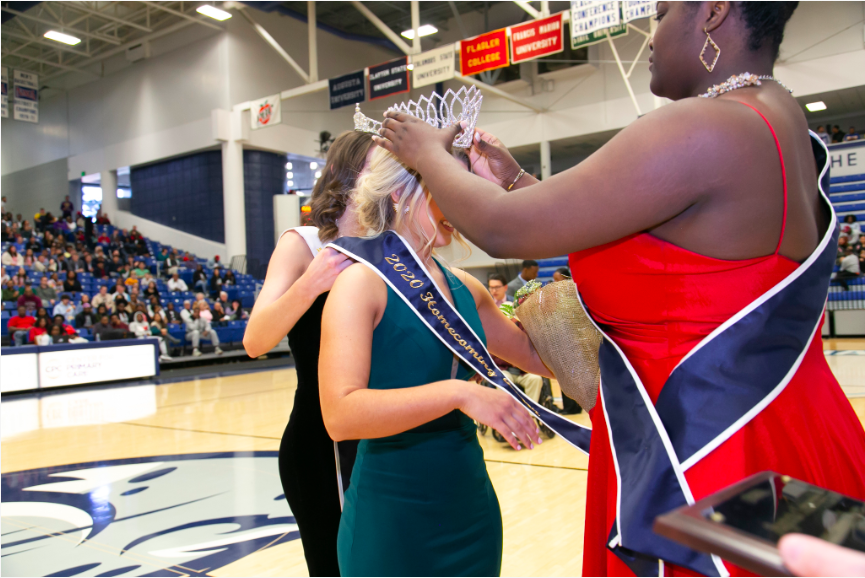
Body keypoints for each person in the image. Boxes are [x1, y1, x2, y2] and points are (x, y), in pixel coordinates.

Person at [373, 3, 865, 575]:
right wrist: (514, 181)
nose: (649, 37)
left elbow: (502, 228)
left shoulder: (704, 124)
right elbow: (666, 247)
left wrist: (430, 156)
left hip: (704, 452)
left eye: (659, 12)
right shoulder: (775, 117)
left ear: (713, 11)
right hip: (788, 426)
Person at [319, 146, 551, 577]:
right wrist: (458, 393)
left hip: (471, 512)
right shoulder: (359, 285)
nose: (458, 204)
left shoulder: (467, 287)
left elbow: (542, 360)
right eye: (443, 188)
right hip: (391, 520)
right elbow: (339, 415)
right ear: (397, 195)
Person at [243, 130, 374, 577]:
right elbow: (255, 341)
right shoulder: (302, 243)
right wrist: (310, 283)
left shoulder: (394, 245)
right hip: (322, 445)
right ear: (343, 174)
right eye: (377, 168)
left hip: (385, 436)